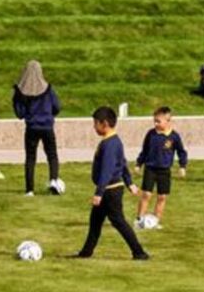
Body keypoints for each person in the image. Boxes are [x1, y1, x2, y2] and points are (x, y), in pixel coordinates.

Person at [75, 106, 148, 261]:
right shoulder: (113, 141)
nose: (94, 127)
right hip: (109, 189)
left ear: (105, 123)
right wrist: (129, 183)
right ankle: (86, 252)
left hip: (110, 191)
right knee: (95, 222)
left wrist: (99, 193)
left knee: (118, 221)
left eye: (95, 123)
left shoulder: (110, 144)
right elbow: (122, 163)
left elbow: (107, 171)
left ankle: (139, 252)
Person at [12, 60, 63, 196]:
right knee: (52, 155)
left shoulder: (21, 94)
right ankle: (53, 180)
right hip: (47, 126)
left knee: (30, 157)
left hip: (32, 127)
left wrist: (17, 98)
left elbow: (20, 114)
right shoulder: (48, 90)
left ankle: (30, 189)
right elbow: (57, 107)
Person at [135, 107, 188, 225]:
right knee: (146, 194)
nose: (155, 124)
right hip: (150, 168)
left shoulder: (174, 136)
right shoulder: (151, 134)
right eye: (154, 121)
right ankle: (139, 220)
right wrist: (139, 163)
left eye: (158, 121)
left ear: (168, 121)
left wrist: (182, 166)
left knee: (162, 197)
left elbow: (181, 152)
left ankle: (155, 221)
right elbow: (144, 150)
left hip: (164, 171)